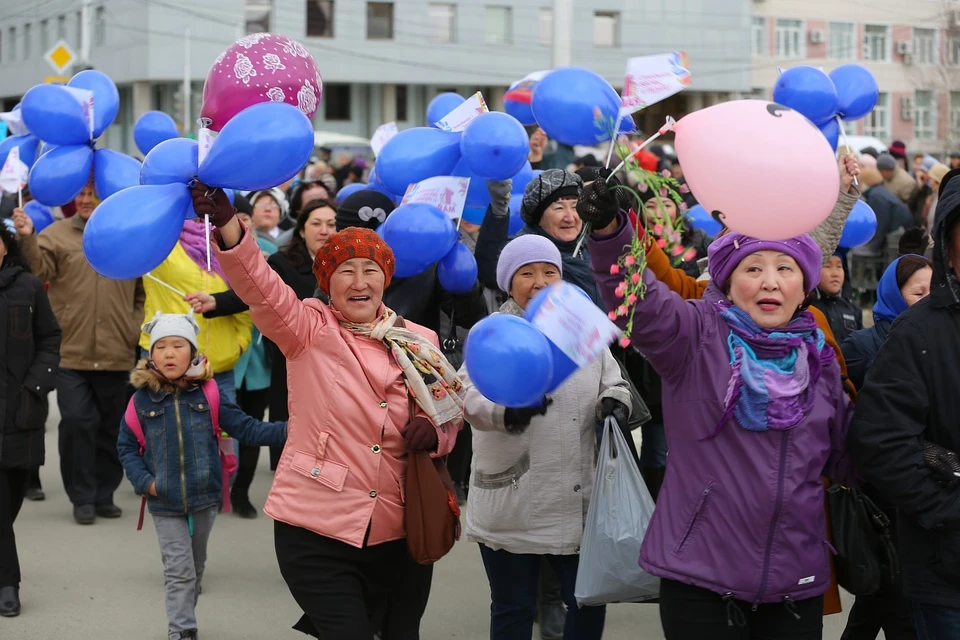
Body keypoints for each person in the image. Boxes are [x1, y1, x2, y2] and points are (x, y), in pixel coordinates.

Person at [193, 184, 465, 638]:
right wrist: (229, 227)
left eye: (371, 270)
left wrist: (433, 431)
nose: (360, 283)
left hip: (402, 529)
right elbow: (260, 289)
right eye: (346, 271)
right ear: (327, 281)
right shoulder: (307, 328)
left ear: (386, 277)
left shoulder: (420, 339)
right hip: (317, 526)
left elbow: (451, 415)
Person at [586, 201, 855, 639]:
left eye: (785, 268)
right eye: (753, 269)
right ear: (728, 280)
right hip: (701, 579)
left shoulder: (818, 356)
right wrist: (609, 231)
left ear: (803, 283)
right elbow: (640, 301)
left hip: (795, 582)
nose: (770, 282)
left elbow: (850, 457)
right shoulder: (694, 334)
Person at [460, 235, 631, 640]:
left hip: (579, 499)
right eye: (527, 273)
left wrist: (614, 403)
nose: (539, 281)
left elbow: (614, 378)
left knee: (588, 600)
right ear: (508, 282)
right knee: (513, 608)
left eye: (549, 272)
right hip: (514, 499)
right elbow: (466, 398)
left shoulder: (577, 328)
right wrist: (508, 412)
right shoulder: (494, 332)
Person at [117, 311, 287, 640]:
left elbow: (247, 429)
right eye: (161, 347)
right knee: (178, 569)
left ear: (192, 351)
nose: (169, 353)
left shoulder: (209, 394)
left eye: (178, 345)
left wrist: (292, 431)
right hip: (163, 499)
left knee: (194, 567)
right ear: (150, 355)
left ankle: (185, 613)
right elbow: (126, 446)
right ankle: (182, 630)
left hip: (204, 496)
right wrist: (145, 483)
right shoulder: (140, 401)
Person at [848, 168, 960, 639]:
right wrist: (951, 511)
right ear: (948, 246)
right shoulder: (917, 334)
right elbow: (882, 442)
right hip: (949, 575)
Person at [11, 184, 144, 525]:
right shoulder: (56, 234)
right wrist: (27, 236)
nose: (86, 200)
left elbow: (141, 291)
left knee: (111, 427)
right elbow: (37, 272)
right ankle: (82, 497)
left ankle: (104, 494)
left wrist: (132, 326)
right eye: (81, 193)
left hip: (116, 350)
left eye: (94, 193)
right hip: (71, 351)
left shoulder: (129, 234)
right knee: (77, 422)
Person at [186, 199, 337, 498]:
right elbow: (257, 291)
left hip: (334, 363)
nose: (324, 231)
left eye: (331, 224)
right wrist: (217, 302)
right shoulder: (283, 262)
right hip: (290, 359)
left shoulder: (345, 265)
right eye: (316, 224)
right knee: (286, 427)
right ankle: (284, 493)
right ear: (301, 229)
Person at [837, 254, 931, 640]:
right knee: (893, 593)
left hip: (925, 487)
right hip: (880, 493)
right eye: (917, 292)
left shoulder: (941, 340)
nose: (926, 300)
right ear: (895, 293)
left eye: (932, 291)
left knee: (881, 595)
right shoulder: (861, 345)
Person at [0, 223, 60, 617]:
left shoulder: (28, 286)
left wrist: (35, 387)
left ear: (5, 246)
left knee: (12, 499)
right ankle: (8, 583)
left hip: (19, 410)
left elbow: (50, 339)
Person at [336, 189, 489, 335]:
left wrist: (465, 286)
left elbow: (471, 318)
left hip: (413, 357)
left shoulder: (426, 266)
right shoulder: (331, 270)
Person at [139, 218, 252, 407]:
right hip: (166, 367)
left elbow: (245, 295)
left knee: (224, 435)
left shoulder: (226, 241)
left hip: (218, 368)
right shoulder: (159, 236)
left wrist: (239, 343)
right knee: (162, 435)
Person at [641, 195, 711, 278]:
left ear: (677, 210)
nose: (658, 215)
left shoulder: (698, 237)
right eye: (650, 207)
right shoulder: (635, 247)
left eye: (666, 206)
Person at [811, 253, 862, 345]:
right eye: (827, 266)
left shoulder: (853, 308)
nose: (835, 274)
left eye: (839, 266)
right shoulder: (806, 307)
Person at [860, 167, 913, 255]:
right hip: (902, 230)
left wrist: (873, 247)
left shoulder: (876, 196)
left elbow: (881, 222)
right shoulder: (879, 191)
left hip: (897, 233)